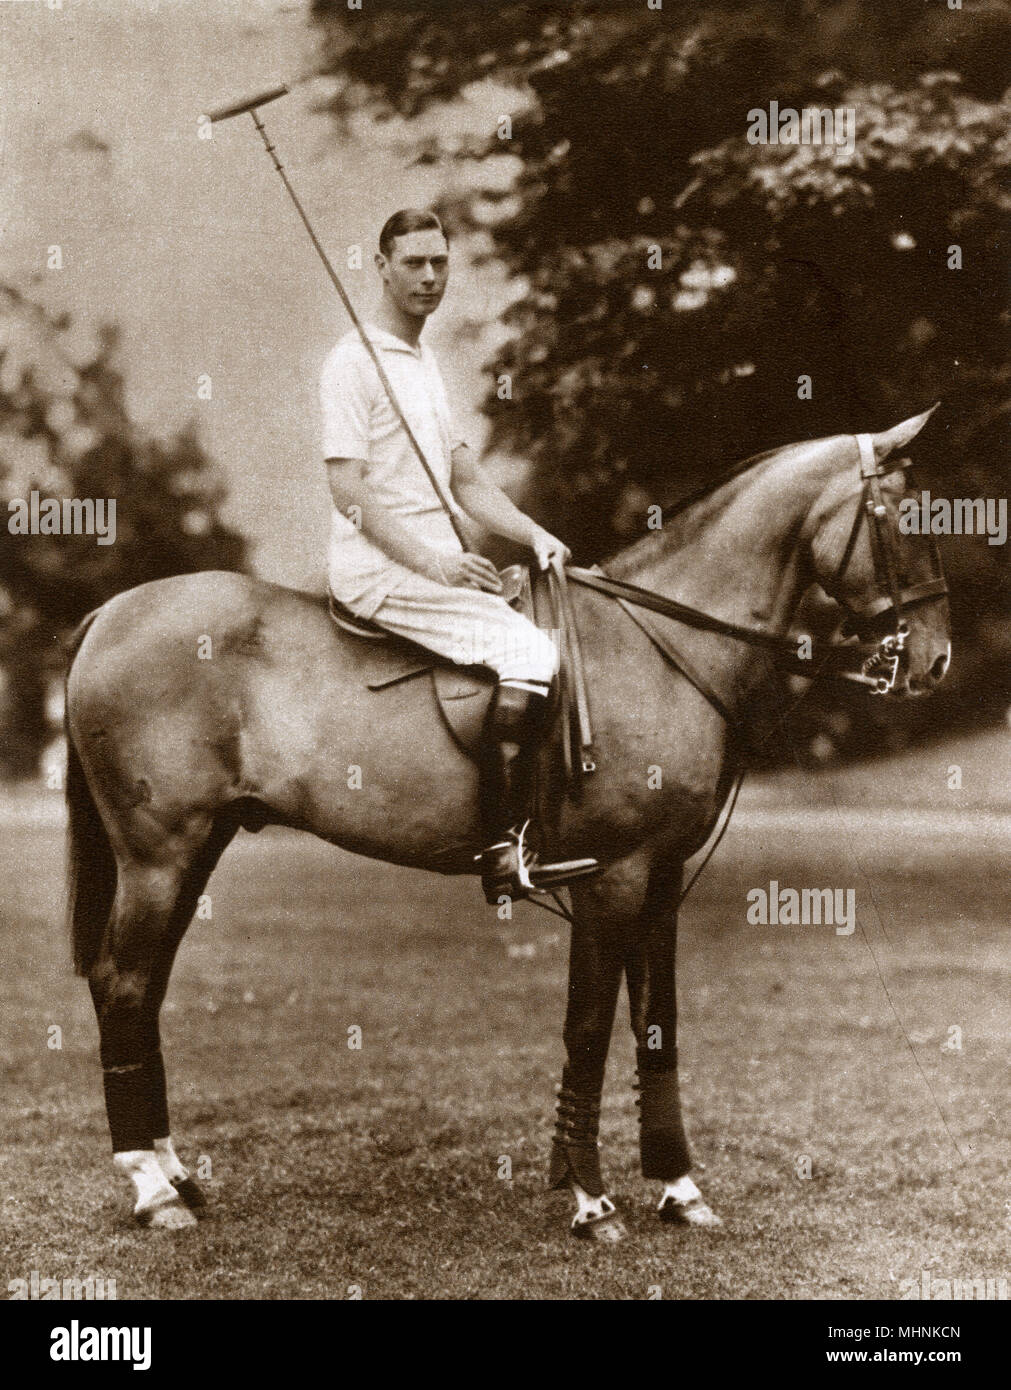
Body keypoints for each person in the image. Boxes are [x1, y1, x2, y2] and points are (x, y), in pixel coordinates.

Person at [319, 208, 597, 903]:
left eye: (439, 261)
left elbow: (464, 477)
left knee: (542, 630)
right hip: (380, 569)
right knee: (531, 655)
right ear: (380, 266)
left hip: (436, 563)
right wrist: (435, 564)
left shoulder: (423, 363)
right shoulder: (353, 362)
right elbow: (346, 489)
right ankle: (503, 849)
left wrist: (532, 534)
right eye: (412, 262)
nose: (428, 275)